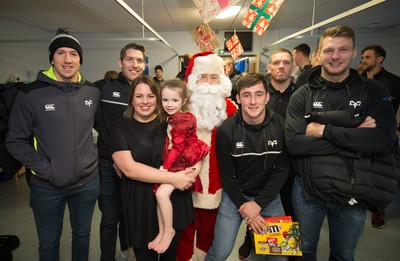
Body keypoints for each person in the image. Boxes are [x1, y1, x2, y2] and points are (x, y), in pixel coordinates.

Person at [284, 25, 398, 260]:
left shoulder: (374, 91)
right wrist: (356, 135)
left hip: (353, 190)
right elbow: (295, 144)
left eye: (343, 49)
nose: (335, 56)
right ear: (319, 53)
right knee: (303, 250)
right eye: (329, 50)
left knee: (344, 254)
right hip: (307, 190)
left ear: (354, 52)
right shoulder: (302, 95)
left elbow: (383, 140)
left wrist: (323, 130)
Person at [5, 28, 101, 261]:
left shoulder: (92, 92)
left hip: (86, 183)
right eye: (60, 53)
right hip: (47, 186)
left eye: (73, 54)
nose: (67, 59)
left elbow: (105, 129)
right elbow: (15, 141)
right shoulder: (31, 94)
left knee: (83, 235)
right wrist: (48, 170)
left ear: (80, 59)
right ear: (51, 58)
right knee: (48, 243)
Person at [111, 75, 198, 261]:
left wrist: (190, 174)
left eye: (150, 96)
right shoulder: (120, 127)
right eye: (139, 96)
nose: (145, 101)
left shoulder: (170, 124)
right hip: (139, 203)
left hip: (172, 203)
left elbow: (194, 151)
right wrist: (174, 178)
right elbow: (129, 169)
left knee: (170, 257)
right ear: (131, 99)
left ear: (157, 99)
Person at [205, 73, 289, 261]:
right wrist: (245, 206)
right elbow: (226, 175)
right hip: (234, 196)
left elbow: (282, 170)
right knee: (220, 253)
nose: (253, 101)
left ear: (267, 97)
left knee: (280, 257)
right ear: (238, 98)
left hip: (268, 196)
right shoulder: (226, 130)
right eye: (246, 95)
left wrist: (258, 205)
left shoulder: (281, 125)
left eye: (259, 94)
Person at [176, 52, 237, 261]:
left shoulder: (230, 108)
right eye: (204, 77)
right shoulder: (182, 105)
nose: (209, 83)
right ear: (194, 79)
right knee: (184, 227)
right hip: (185, 180)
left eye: (214, 77)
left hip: (217, 182)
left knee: (209, 229)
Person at [238, 48, 297, 260]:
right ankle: (251, 241)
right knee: (254, 206)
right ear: (269, 67)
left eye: (286, 62)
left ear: (293, 66)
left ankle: (278, 249)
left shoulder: (300, 94)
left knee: (285, 210)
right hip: (258, 165)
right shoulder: (258, 90)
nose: (281, 66)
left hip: (288, 164)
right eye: (276, 62)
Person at [94, 43, 146, 261]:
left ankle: (128, 249)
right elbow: (100, 124)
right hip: (109, 166)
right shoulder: (103, 88)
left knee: (133, 214)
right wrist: (117, 155)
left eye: (140, 60)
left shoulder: (149, 90)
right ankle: (108, 257)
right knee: (110, 217)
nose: (135, 65)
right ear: (120, 62)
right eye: (129, 59)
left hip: (139, 166)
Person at [148, 79, 209, 254]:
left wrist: (165, 169)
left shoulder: (184, 119)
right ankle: (161, 232)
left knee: (161, 194)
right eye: (165, 100)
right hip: (177, 161)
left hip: (182, 162)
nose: (169, 104)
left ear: (184, 101)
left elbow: (178, 147)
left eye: (174, 100)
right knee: (158, 193)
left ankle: (168, 231)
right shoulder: (172, 117)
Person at [361, 44, 400, 229]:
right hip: (359, 134)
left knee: (381, 176)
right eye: (362, 57)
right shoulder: (357, 80)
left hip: (383, 137)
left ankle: (379, 211)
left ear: (379, 59)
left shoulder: (393, 81)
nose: (363, 61)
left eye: (367, 57)